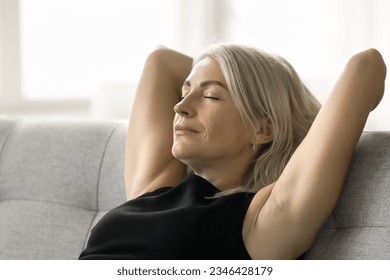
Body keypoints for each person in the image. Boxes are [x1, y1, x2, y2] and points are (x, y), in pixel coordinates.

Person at [79, 44, 386, 260]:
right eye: (185, 92)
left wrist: (281, 102)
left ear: (262, 129)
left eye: (211, 96)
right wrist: (224, 74)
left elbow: (366, 66)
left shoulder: (258, 224)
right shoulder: (154, 190)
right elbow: (161, 62)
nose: (180, 107)